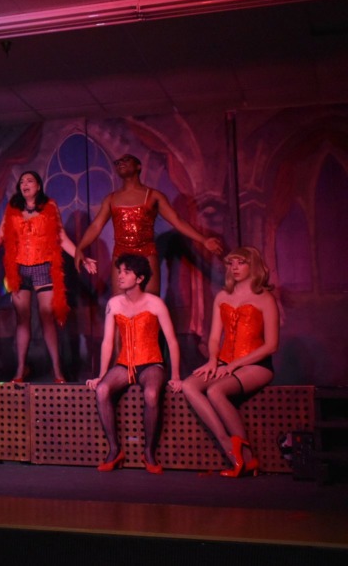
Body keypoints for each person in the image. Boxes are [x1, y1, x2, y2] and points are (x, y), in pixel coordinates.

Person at [0, 171, 95, 383]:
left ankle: (57, 370)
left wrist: (82, 257)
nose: (24, 184)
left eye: (29, 181)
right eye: (22, 181)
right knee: (22, 320)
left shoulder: (49, 207)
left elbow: (61, 237)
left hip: (43, 266)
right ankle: (20, 370)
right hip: (19, 269)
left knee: (47, 318)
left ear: (39, 186)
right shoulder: (12, 209)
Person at [182, 247, 278, 477]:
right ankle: (227, 445)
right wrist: (214, 360)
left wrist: (235, 365)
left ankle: (246, 457)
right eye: (231, 263)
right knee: (189, 385)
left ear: (252, 265)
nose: (234, 267)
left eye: (240, 262)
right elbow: (214, 337)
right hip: (224, 361)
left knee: (216, 391)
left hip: (256, 365)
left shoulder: (265, 298)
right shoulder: (222, 296)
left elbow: (271, 345)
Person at [86, 254, 182, 473]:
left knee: (150, 394)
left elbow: (172, 341)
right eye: (119, 271)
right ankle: (114, 450)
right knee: (102, 390)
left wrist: (175, 375)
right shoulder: (113, 303)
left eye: (126, 272)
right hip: (124, 364)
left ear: (139, 278)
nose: (120, 276)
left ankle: (148, 452)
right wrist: (101, 374)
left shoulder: (155, 303)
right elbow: (108, 342)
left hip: (151, 364)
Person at [73, 154, 224, 294]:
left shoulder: (153, 196)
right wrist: (80, 248)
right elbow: (96, 225)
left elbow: (177, 220)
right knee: (119, 306)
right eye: (118, 163)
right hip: (121, 254)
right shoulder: (111, 199)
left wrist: (204, 240)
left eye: (126, 160)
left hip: (147, 253)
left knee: (150, 305)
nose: (120, 164)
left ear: (138, 166)